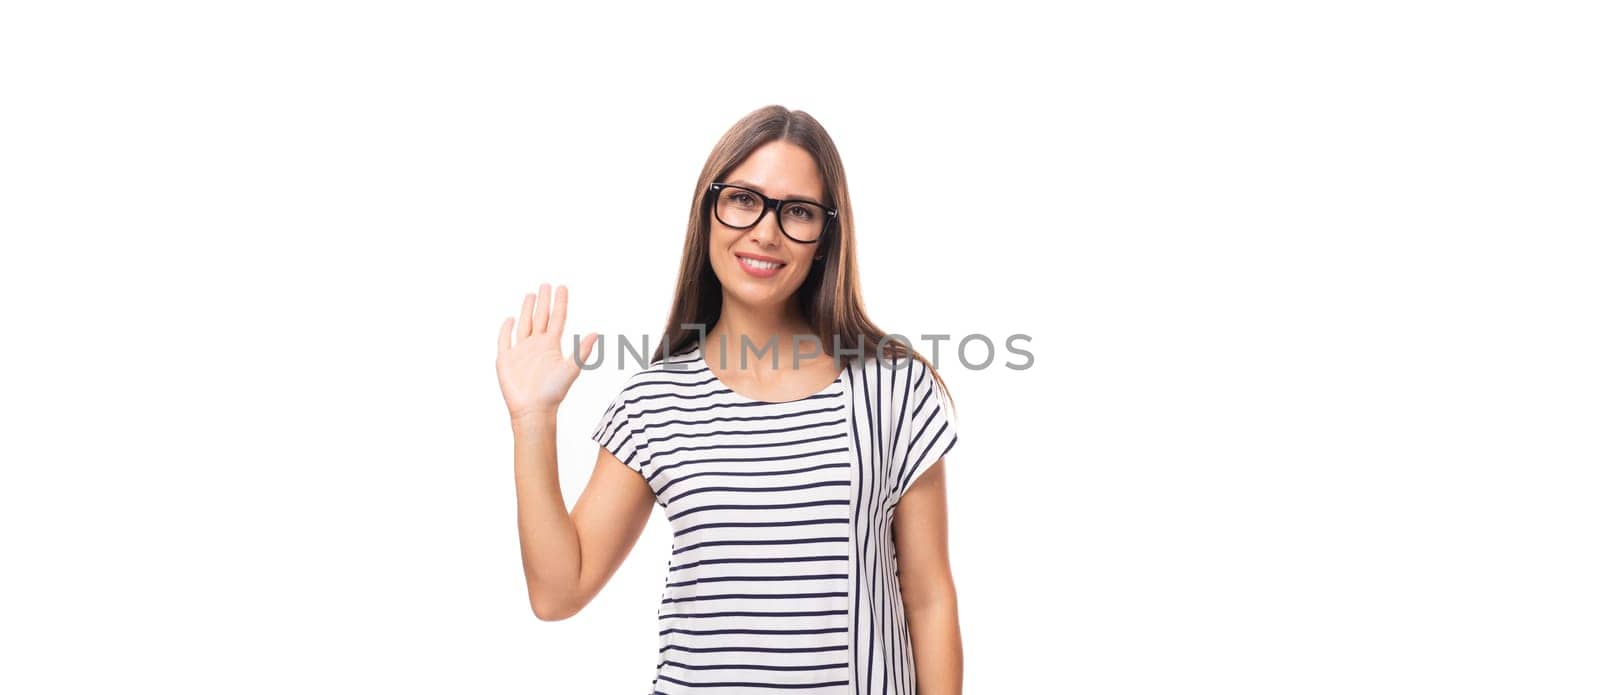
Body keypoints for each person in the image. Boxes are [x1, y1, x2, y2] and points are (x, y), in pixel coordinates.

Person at [494, 105, 962, 693]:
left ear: (824, 238)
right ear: (707, 211)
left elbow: (929, 600)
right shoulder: (655, 402)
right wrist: (533, 421)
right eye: (743, 199)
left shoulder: (894, 389)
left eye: (797, 211)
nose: (766, 231)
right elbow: (559, 592)